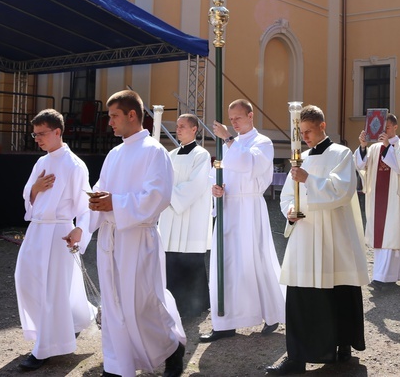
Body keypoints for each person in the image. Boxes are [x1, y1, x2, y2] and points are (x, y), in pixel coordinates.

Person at [88, 90, 185, 377]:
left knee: (143, 303)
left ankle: (172, 347)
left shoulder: (155, 152)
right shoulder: (114, 153)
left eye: (114, 116)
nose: (110, 123)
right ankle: (118, 364)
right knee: (114, 303)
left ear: (133, 115)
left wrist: (115, 203)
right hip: (111, 237)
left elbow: (158, 196)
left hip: (138, 238)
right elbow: (101, 188)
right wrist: (91, 208)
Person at [266, 105, 368, 375]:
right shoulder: (301, 158)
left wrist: (308, 179)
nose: (305, 137)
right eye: (301, 133)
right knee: (300, 294)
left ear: (322, 126)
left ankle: (342, 345)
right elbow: (289, 194)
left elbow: (342, 191)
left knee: (338, 291)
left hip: (333, 234)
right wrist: (289, 212)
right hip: (305, 233)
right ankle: (296, 357)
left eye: (308, 131)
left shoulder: (341, 154)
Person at [15, 109, 96, 371]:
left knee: (51, 289)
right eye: (35, 134)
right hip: (37, 229)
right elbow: (29, 192)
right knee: (26, 280)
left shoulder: (75, 165)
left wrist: (79, 230)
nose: (37, 138)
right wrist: (35, 190)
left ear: (58, 132)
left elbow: (86, 205)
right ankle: (64, 326)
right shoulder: (41, 162)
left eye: (42, 133)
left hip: (58, 231)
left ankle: (45, 348)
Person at [203, 99, 284, 342]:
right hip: (229, 207)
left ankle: (271, 312)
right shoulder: (232, 143)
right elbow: (218, 172)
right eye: (231, 120)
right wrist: (216, 188)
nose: (234, 123)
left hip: (249, 207)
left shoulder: (263, 142)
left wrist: (228, 139)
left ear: (250, 116)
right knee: (226, 263)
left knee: (254, 261)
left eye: (238, 118)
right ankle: (225, 322)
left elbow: (249, 165)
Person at [158, 114, 212, 318]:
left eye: (182, 126)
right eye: (177, 126)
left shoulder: (202, 155)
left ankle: (194, 305)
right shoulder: (170, 155)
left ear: (194, 129)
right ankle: (173, 302)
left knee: (190, 257)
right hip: (171, 214)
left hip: (191, 213)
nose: (178, 129)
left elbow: (196, 185)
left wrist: (170, 194)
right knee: (171, 257)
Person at [355, 113, 400, 288]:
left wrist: (389, 147)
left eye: (387, 128)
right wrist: (363, 146)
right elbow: (361, 165)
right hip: (376, 198)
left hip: (394, 198)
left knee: (391, 234)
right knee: (380, 236)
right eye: (382, 128)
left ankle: (385, 278)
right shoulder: (374, 148)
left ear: (395, 127)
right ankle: (381, 275)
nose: (384, 131)